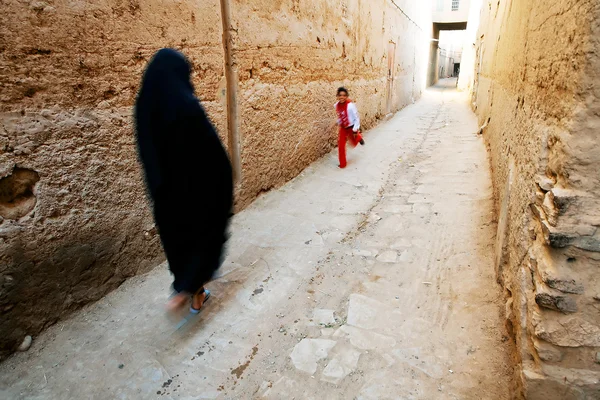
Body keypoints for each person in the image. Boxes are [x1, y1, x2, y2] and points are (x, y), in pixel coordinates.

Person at [134, 49, 233, 315]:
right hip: (195, 190)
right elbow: (213, 154)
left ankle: (186, 290)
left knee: (179, 244)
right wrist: (223, 181)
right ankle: (192, 291)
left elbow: (146, 152)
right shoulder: (185, 105)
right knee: (203, 236)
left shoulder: (145, 106)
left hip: (165, 194)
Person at [335, 87, 364, 168]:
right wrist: (338, 122)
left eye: (344, 95)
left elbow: (356, 118)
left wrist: (355, 129)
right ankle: (342, 164)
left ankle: (358, 137)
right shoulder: (337, 105)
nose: (342, 97)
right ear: (337, 96)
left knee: (353, 143)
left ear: (346, 96)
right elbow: (341, 116)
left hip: (351, 127)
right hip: (343, 128)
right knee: (341, 145)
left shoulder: (350, 106)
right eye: (340, 95)